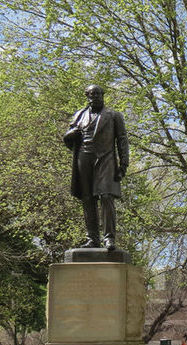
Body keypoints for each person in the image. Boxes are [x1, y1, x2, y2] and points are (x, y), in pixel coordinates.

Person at [64, 84, 129, 250]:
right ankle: (92, 238)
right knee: (87, 198)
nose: (96, 96)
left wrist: (123, 164)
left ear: (103, 95)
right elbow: (68, 138)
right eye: (92, 94)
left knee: (106, 196)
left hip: (105, 158)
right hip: (84, 158)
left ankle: (109, 238)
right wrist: (70, 135)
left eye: (99, 93)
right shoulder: (79, 115)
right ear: (87, 96)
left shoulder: (114, 115)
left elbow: (122, 140)